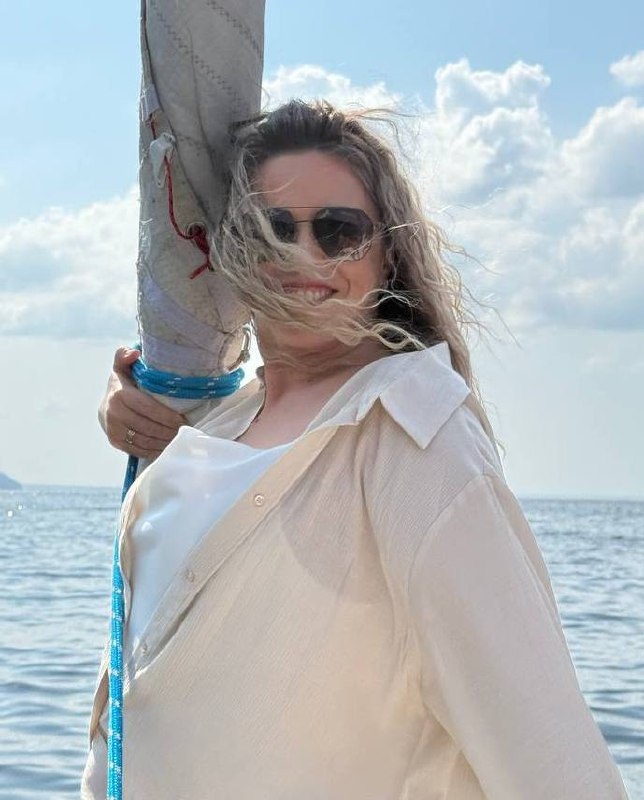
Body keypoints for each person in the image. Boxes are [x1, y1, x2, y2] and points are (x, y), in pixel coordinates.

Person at [83, 101, 629, 799]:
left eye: (337, 231)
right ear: (234, 248)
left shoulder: (417, 444)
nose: (301, 255)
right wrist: (135, 399)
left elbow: (555, 764)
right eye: (272, 229)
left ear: (387, 252)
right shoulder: (217, 424)